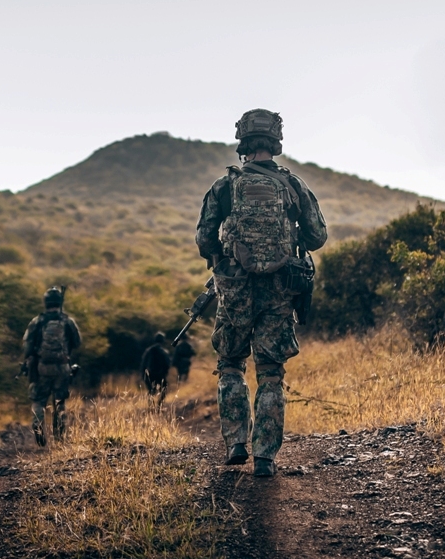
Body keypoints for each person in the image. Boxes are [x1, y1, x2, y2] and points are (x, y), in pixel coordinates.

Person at [195, 109, 327, 477]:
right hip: (280, 288)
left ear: (242, 141)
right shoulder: (293, 186)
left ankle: (237, 442)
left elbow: (204, 237)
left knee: (230, 364)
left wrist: (223, 259)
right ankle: (265, 457)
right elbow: (318, 236)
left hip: (234, 290)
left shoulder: (224, 186)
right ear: (276, 141)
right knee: (270, 372)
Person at [21, 286, 81, 446]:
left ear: (45, 302)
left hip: (42, 366)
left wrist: (29, 358)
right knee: (59, 402)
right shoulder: (67, 321)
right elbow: (77, 342)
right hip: (63, 367)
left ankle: (38, 426)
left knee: (38, 399)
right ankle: (59, 438)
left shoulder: (37, 321)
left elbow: (27, 344)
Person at [140, 331, 172, 399]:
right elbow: (167, 364)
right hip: (160, 374)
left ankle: (151, 404)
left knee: (151, 391)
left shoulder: (148, 351)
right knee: (164, 389)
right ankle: (159, 404)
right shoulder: (163, 351)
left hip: (149, 374)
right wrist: (164, 373)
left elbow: (143, 364)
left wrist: (144, 375)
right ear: (163, 340)